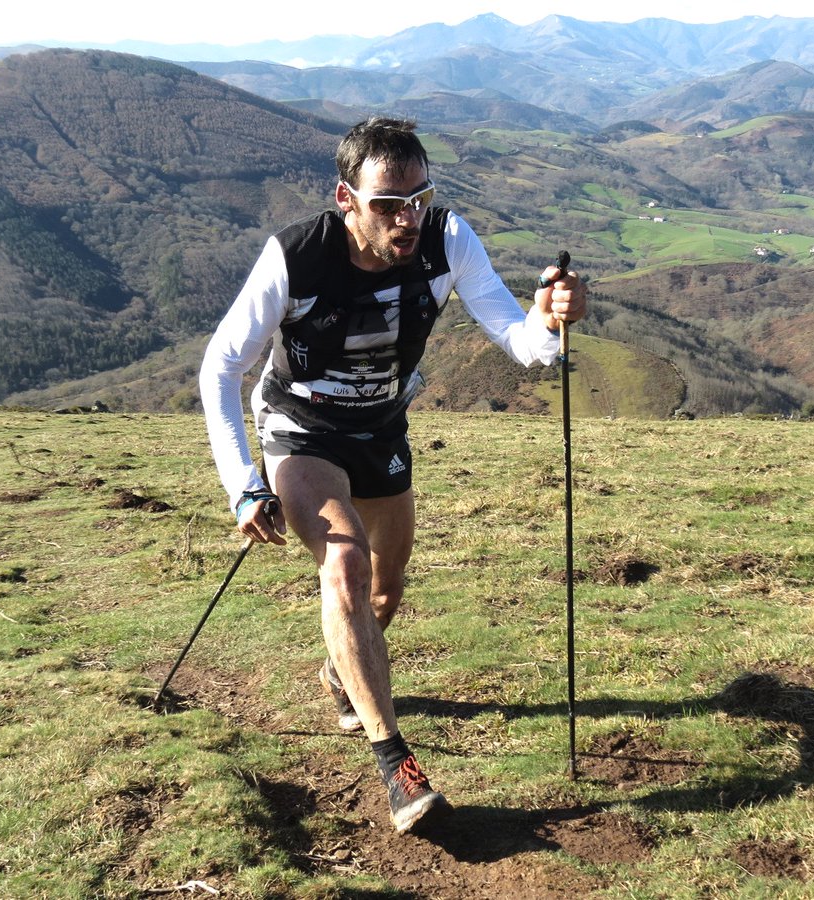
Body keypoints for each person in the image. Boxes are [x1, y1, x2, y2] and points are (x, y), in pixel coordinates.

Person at [199, 116, 587, 834]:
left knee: (385, 588)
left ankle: (339, 671)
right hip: (301, 428)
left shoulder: (448, 239)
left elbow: (519, 340)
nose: (407, 218)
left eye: (418, 197)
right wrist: (242, 483)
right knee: (345, 563)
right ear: (346, 199)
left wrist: (551, 320)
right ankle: (397, 767)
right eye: (387, 203)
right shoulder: (294, 258)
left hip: (382, 428)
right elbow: (220, 367)